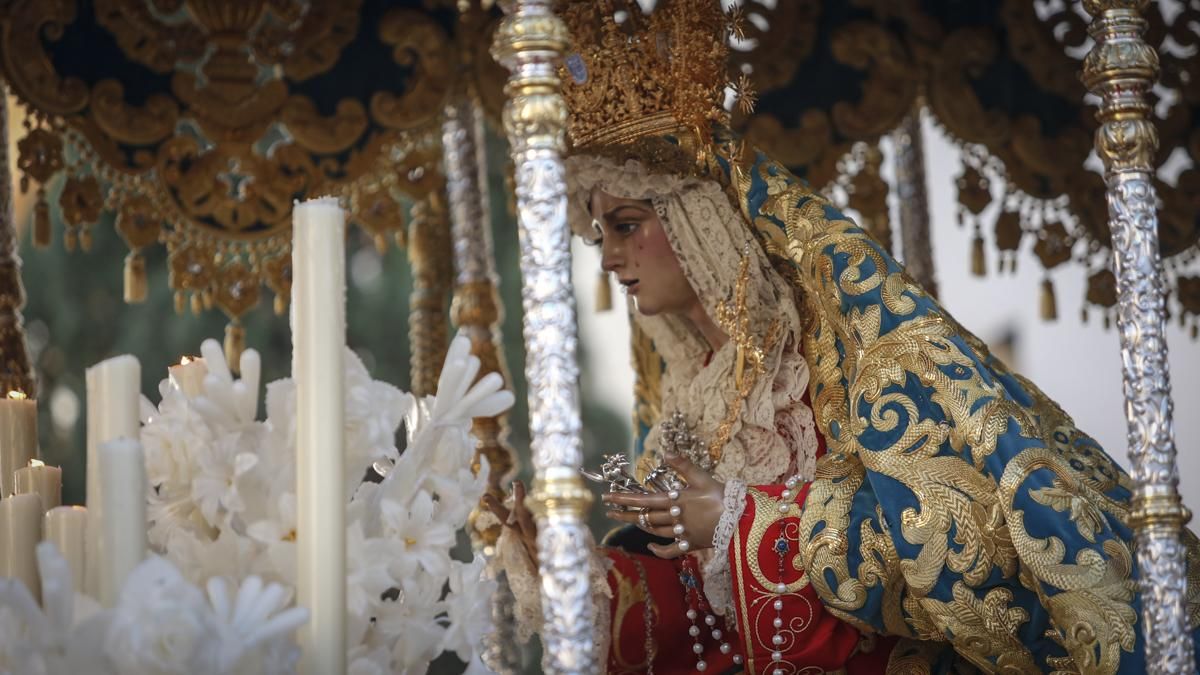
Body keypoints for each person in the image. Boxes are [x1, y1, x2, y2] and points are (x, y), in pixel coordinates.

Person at [485, 1, 1200, 673]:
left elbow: (948, 539)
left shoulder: (827, 357)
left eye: (627, 224)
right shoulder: (687, 390)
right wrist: (585, 580)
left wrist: (739, 522)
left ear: (698, 218)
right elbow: (703, 622)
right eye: (600, 234)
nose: (609, 257)